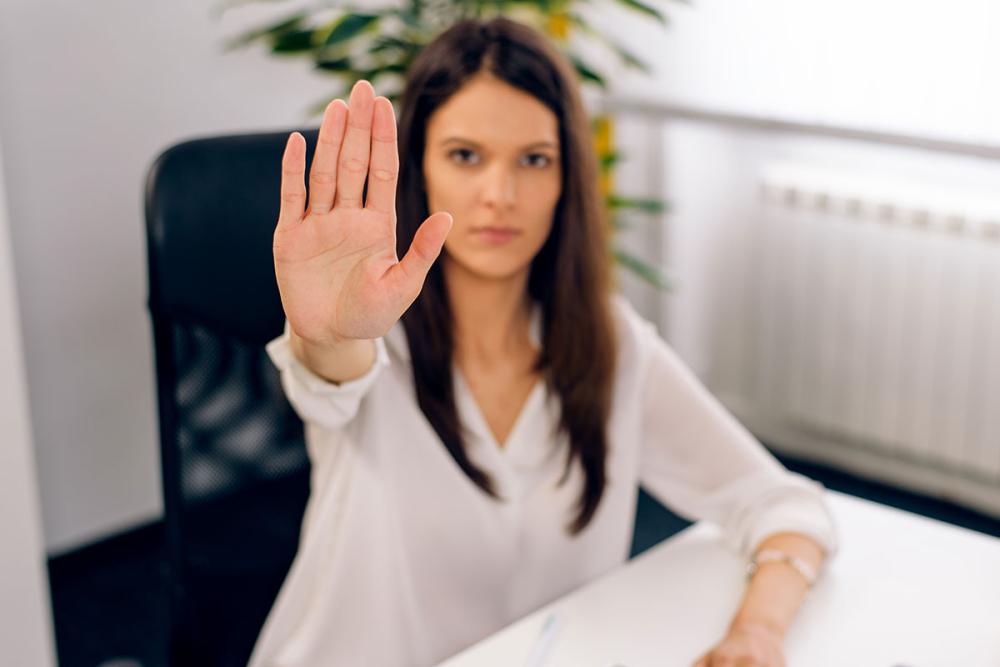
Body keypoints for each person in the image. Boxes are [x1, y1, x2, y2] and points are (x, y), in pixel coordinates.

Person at [248, 16, 838, 667]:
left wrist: (757, 630)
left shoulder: (608, 344)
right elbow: (328, 379)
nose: (500, 195)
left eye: (534, 160)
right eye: (465, 156)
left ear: (567, 179)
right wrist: (325, 335)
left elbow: (782, 503)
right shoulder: (371, 338)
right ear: (420, 167)